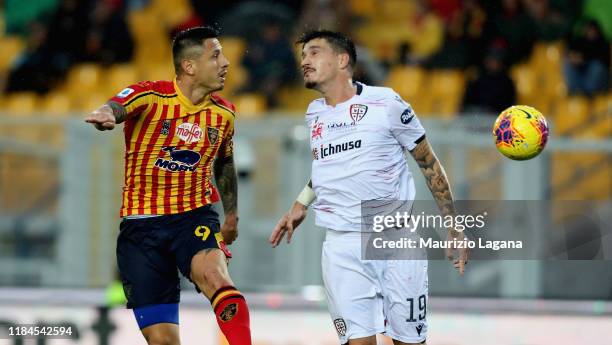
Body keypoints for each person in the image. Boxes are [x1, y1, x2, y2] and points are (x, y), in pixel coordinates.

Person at [269, 30, 468, 345]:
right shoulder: (314, 114)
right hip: (342, 247)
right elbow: (327, 168)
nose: (305, 61)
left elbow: (428, 162)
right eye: (304, 55)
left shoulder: (386, 103)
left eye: (314, 52)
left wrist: (453, 225)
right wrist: (301, 204)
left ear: (342, 59)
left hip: (396, 240)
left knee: (410, 342)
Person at [85, 26, 252, 345]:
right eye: (215, 55)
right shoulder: (150, 95)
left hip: (193, 218)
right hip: (141, 229)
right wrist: (105, 114)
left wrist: (231, 214)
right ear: (189, 66)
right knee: (162, 340)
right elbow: (116, 106)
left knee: (215, 277)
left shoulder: (224, 114)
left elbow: (224, 161)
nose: (226, 63)